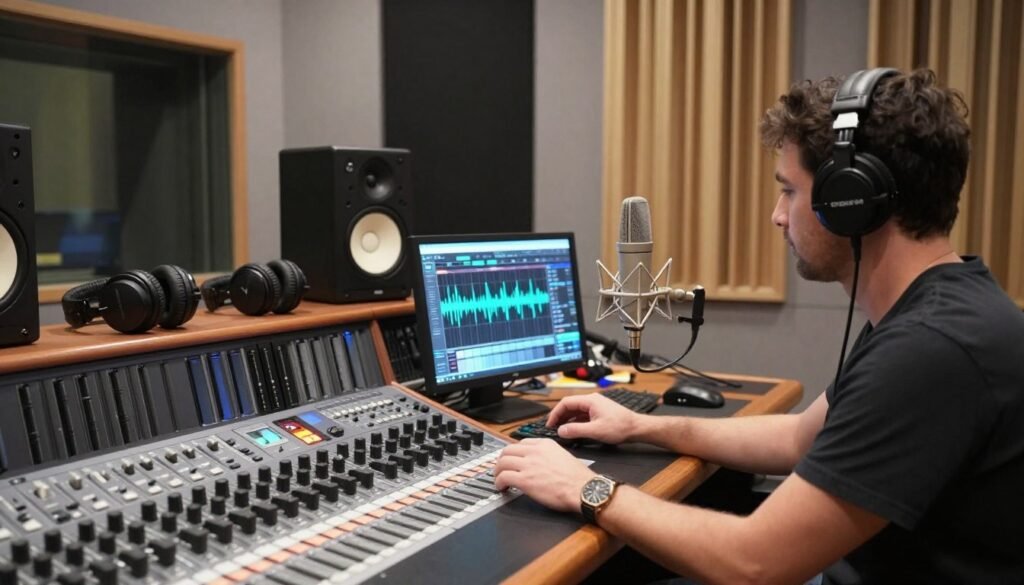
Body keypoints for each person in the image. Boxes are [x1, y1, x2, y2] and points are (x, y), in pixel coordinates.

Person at [493, 68, 1024, 584]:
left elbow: (755, 564)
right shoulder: (938, 311)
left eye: (789, 191)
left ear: (851, 201)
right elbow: (798, 437)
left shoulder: (930, 350)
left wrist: (586, 487)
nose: (777, 215)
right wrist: (640, 427)